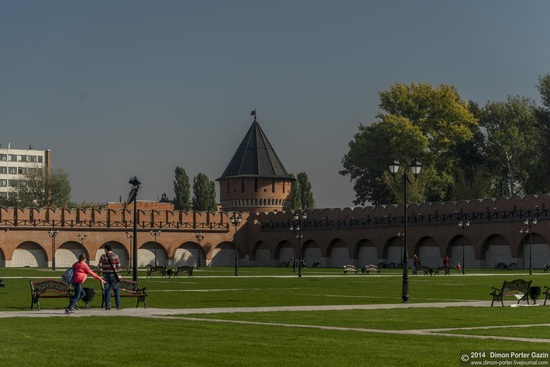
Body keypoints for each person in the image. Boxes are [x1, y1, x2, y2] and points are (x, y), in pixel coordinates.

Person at [98, 243, 122, 310]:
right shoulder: (115, 256)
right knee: (116, 290)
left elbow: (99, 265)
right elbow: (118, 265)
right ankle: (118, 305)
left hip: (105, 275)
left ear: (106, 249)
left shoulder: (103, 256)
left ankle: (107, 306)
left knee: (107, 290)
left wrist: (104, 265)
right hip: (114, 275)